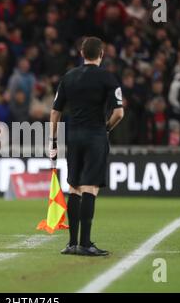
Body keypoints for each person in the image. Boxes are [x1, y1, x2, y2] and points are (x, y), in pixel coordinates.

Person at [49, 37, 124, 256]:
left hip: (73, 136)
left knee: (74, 187)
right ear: (102, 54)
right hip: (95, 136)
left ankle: (72, 243)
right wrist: (107, 128)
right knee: (90, 187)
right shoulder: (107, 78)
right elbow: (119, 113)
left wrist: (52, 139)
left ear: (82, 53)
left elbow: (55, 111)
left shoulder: (69, 77)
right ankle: (86, 243)